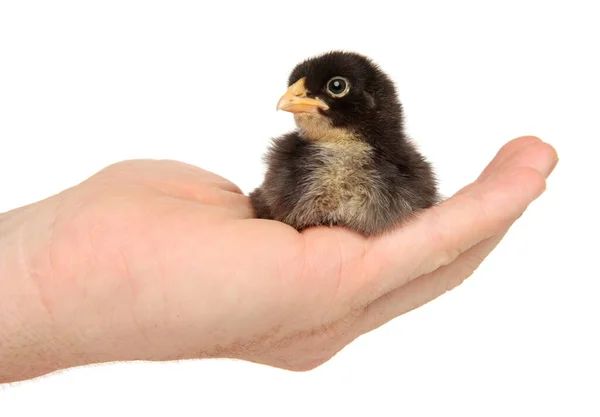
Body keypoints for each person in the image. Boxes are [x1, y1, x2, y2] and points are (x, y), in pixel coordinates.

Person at [0, 136, 557, 384]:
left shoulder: (392, 171)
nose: (294, 100)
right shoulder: (296, 162)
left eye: (326, 90)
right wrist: (38, 276)